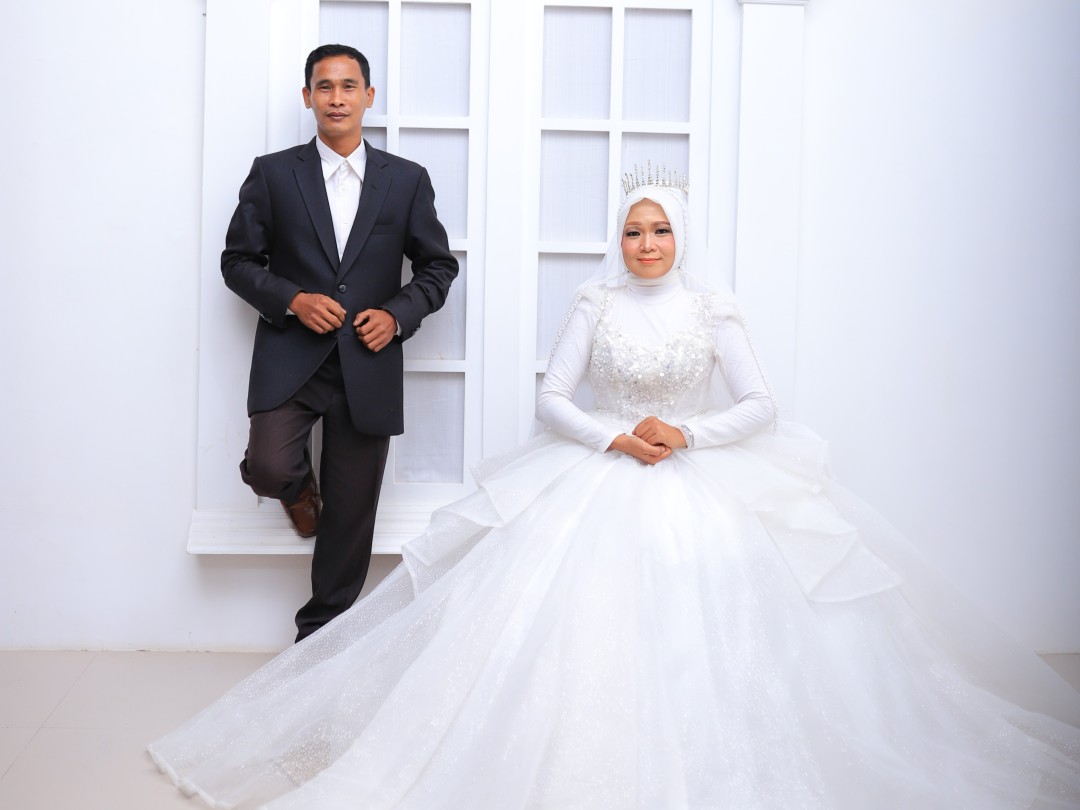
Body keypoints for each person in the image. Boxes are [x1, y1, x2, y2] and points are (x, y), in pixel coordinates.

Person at [151, 169, 1080, 808]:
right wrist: (616, 435)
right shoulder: (595, 304)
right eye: (633, 231)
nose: (646, 243)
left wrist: (688, 432)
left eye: (660, 229)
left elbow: (761, 404)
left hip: (698, 472)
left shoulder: (713, 309)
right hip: (603, 465)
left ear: (682, 238)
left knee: (727, 600)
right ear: (619, 241)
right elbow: (553, 399)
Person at [222, 44, 458, 642]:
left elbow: (437, 267)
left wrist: (397, 316)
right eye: (324, 87)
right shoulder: (273, 173)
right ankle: (299, 491)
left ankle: (318, 644)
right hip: (291, 356)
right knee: (269, 466)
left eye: (348, 86)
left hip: (368, 364)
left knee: (350, 518)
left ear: (368, 96)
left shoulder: (406, 179)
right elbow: (237, 262)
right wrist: (293, 300)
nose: (336, 98)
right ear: (308, 97)